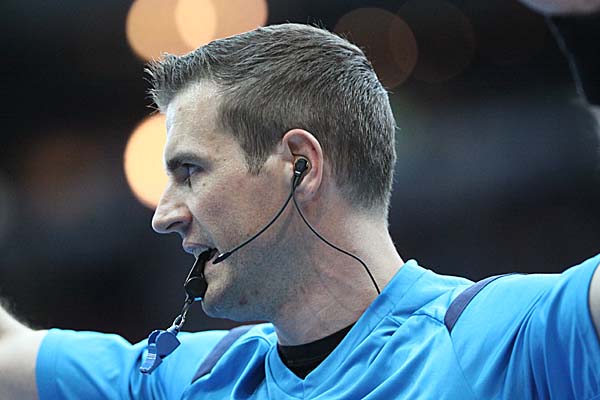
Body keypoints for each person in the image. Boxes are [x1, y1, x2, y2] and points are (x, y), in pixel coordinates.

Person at [1, 1, 599, 398]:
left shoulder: (504, 341)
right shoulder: (194, 377)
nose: (163, 215)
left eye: (190, 171)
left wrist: (583, 24)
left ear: (300, 166)